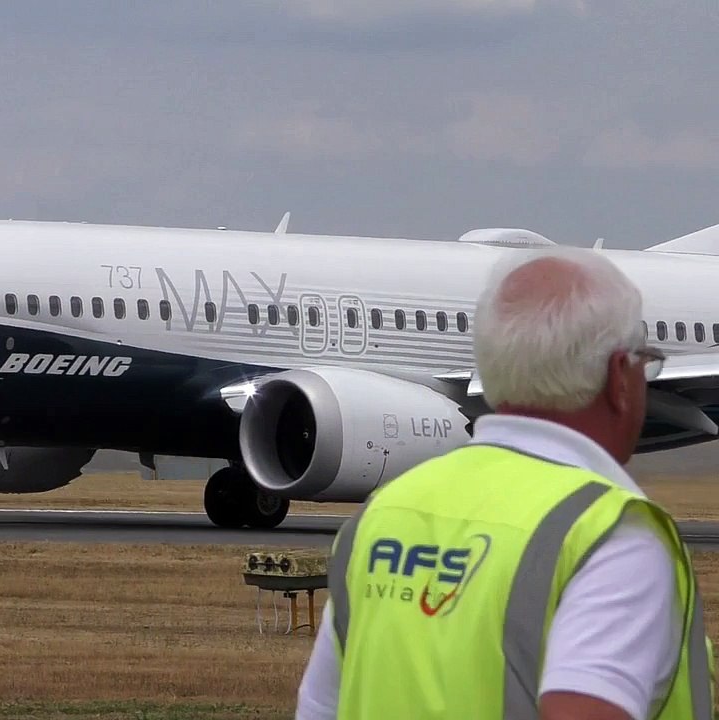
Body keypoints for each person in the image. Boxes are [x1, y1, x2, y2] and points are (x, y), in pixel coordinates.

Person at [294, 247, 713, 719]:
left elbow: (320, 707)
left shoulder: (383, 518)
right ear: (620, 378)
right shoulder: (612, 538)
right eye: (647, 361)